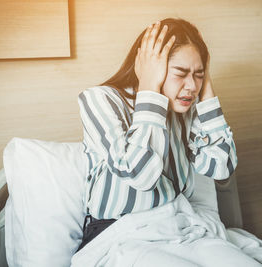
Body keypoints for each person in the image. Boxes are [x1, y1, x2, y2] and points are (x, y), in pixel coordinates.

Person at [75, 18, 238, 255]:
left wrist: (207, 90)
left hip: (179, 225)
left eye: (198, 74)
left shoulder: (187, 109)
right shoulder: (99, 100)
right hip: (118, 233)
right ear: (151, 67)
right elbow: (141, 175)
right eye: (181, 73)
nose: (191, 86)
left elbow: (222, 167)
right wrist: (149, 87)